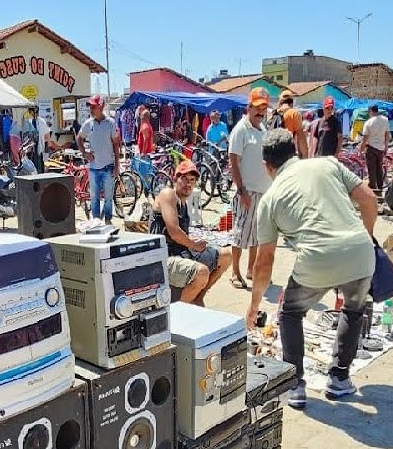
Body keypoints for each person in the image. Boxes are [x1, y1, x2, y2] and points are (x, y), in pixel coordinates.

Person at [246, 128, 380, 409]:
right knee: (354, 310)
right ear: (294, 152)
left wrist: (254, 304)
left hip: (316, 261)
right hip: (360, 254)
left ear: (267, 166)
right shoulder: (328, 163)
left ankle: (295, 384)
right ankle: (339, 379)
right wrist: (364, 240)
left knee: (290, 312)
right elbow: (369, 199)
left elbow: (264, 261)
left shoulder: (269, 200)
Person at [150, 160, 232, 305]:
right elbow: (174, 232)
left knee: (226, 255)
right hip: (162, 257)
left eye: (192, 180)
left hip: (181, 252)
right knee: (201, 272)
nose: (189, 184)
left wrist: (192, 242)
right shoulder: (168, 194)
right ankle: (180, 312)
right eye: (185, 179)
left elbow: (180, 235)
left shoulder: (183, 201)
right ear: (175, 179)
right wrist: (194, 244)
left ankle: (197, 297)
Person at [227, 87, 275, 290]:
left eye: (263, 108)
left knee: (257, 235)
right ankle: (234, 272)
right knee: (240, 233)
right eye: (256, 108)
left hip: (263, 192)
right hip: (247, 191)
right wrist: (242, 190)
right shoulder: (241, 129)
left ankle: (251, 270)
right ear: (248, 107)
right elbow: (233, 162)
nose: (260, 112)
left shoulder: (262, 129)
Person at [77, 94, 122, 225]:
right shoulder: (88, 124)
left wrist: (117, 165)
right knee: (94, 198)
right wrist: (84, 153)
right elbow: (79, 138)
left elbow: (116, 144)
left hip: (108, 167)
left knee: (108, 198)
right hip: (93, 168)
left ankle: (108, 221)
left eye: (94, 107)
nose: (91, 110)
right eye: (90, 107)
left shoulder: (110, 123)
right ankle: (96, 222)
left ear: (101, 107)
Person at [268, 89, 309, 158]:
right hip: (287, 154)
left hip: (272, 154)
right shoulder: (294, 113)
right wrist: (304, 155)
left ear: (280, 102)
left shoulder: (273, 114)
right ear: (292, 102)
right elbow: (300, 137)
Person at [359, 104, 391, 192]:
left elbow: (365, 138)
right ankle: (380, 188)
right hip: (381, 148)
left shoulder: (368, 122)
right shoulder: (385, 120)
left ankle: (373, 189)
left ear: (370, 111)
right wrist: (386, 147)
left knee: (371, 170)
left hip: (371, 148)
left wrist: (361, 149)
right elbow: (387, 135)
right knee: (379, 169)